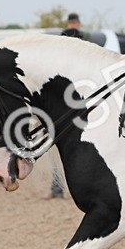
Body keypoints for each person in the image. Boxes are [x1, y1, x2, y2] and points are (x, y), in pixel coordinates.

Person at [46, 12, 91, 199]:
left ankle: (58, 189)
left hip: (67, 108)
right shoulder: (86, 47)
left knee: (59, 150)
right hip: (81, 106)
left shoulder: (61, 54)